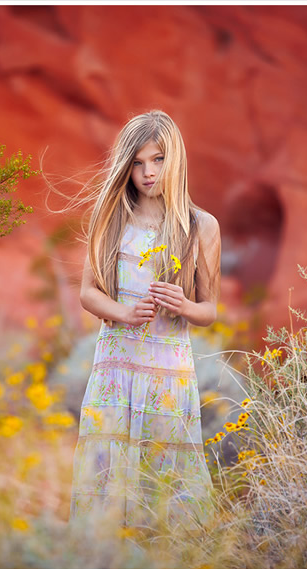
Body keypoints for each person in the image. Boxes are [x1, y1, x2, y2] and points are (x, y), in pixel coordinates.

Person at [68, 110, 221, 533]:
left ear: (175, 160)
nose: (147, 172)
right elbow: (87, 292)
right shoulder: (111, 216)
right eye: (136, 163)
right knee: (106, 481)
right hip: (114, 374)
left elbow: (209, 310)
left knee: (164, 485)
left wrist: (185, 305)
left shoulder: (199, 226)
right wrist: (122, 313)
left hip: (167, 375)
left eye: (157, 160)